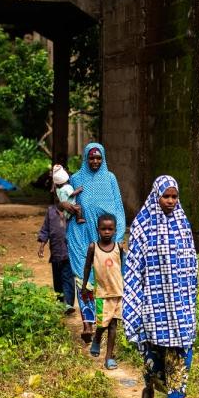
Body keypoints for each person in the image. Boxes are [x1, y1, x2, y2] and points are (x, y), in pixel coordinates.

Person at [123, 175, 198, 398]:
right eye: (166, 196)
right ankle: (149, 390)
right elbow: (133, 269)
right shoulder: (143, 226)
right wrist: (134, 304)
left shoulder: (183, 225)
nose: (170, 201)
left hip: (180, 311)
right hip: (153, 310)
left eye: (174, 196)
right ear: (156, 195)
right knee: (152, 361)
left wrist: (189, 304)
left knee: (180, 363)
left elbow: (192, 268)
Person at [66, 143, 126, 344]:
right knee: (81, 277)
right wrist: (68, 206)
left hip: (104, 238)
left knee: (102, 279)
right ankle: (87, 323)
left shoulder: (110, 179)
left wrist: (117, 238)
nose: (95, 161)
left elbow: (118, 208)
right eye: (91, 158)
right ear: (85, 158)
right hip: (80, 235)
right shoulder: (75, 179)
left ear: (103, 158)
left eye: (98, 158)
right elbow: (65, 206)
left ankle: (103, 319)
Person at [81, 214, 125, 370]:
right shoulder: (93, 247)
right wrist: (85, 285)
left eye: (110, 229)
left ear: (115, 230)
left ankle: (108, 358)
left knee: (113, 325)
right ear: (98, 229)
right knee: (102, 324)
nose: (107, 232)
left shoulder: (119, 248)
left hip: (117, 292)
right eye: (103, 229)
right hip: (101, 293)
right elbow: (87, 267)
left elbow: (123, 267)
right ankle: (97, 339)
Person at [36, 193, 74, 313]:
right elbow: (45, 229)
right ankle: (60, 302)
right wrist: (42, 245)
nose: (61, 199)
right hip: (56, 252)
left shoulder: (71, 213)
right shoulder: (51, 211)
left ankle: (68, 303)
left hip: (69, 253)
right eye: (59, 196)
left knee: (67, 278)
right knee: (57, 280)